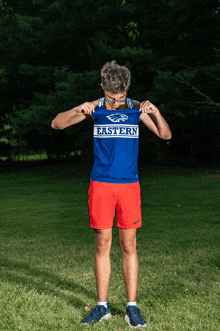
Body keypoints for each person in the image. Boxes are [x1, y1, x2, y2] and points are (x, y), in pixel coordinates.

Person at [51, 61, 172, 328]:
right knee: (102, 245)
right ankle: (102, 306)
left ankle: (132, 307)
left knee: (129, 245)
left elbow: (165, 135)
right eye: (110, 98)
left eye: (120, 98)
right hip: (101, 185)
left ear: (127, 89)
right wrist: (77, 109)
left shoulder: (136, 109)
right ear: (102, 88)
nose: (116, 103)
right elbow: (57, 124)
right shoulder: (94, 109)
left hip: (129, 186)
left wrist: (157, 112)